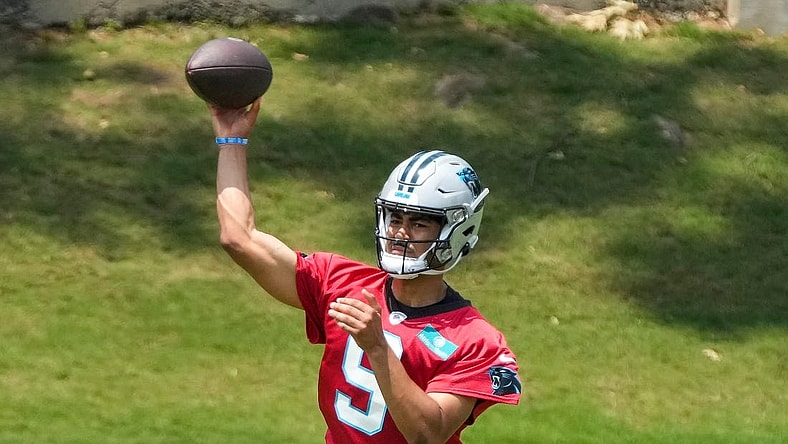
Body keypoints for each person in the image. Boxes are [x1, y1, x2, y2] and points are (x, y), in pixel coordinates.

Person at [209, 99, 521, 444]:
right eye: (395, 218)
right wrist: (231, 140)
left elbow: (427, 435)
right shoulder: (341, 282)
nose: (401, 233)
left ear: (458, 228)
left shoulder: (476, 341)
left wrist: (377, 345)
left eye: (419, 223)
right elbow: (239, 238)